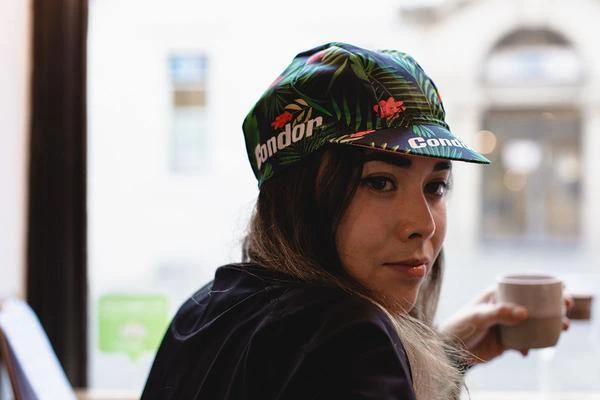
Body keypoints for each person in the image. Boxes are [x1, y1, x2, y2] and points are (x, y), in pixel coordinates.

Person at [141, 42, 571, 400]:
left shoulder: (202, 310)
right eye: (380, 182)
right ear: (300, 198)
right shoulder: (351, 338)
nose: (422, 224)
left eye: (435, 187)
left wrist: (445, 355)